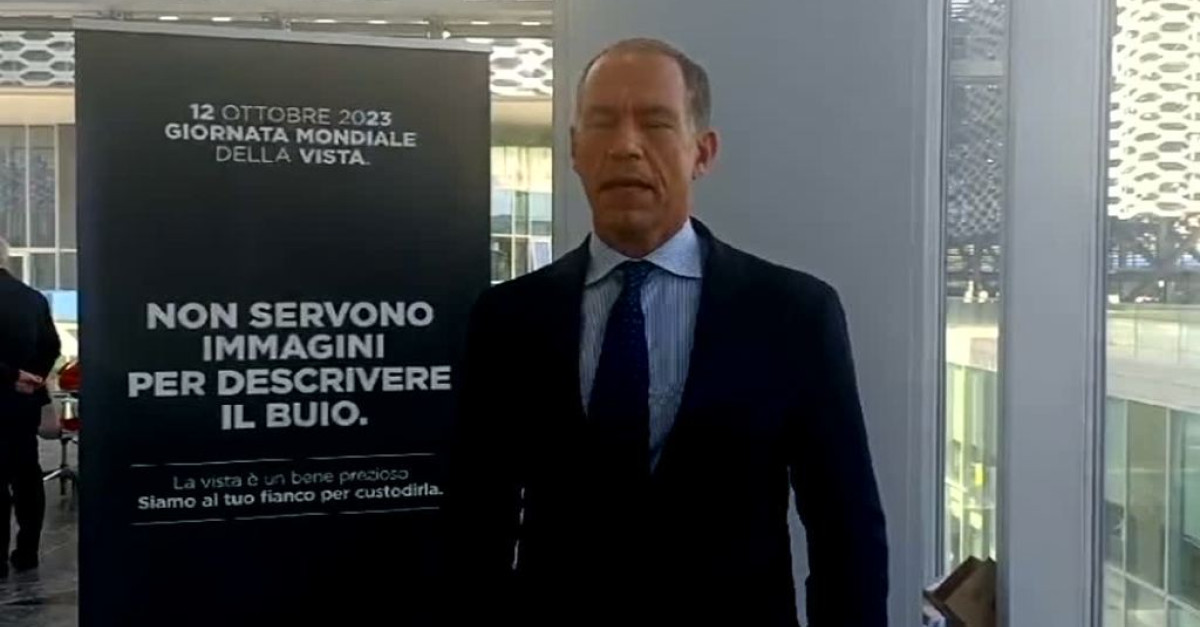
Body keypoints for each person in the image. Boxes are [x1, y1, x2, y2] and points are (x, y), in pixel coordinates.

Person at [447, 38, 887, 626]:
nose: (625, 146)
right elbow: (475, 525)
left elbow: (845, 530)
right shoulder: (509, 319)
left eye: (655, 123)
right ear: (575, 150)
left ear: (702, 152)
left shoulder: (794, 314)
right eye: (602, 123)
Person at [0, 236, 61, 576]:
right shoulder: (33, 298)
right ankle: (27, 552)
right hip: (24, 404)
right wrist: (32, 378)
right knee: (27, 476)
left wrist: (11, 376)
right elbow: (51, 346)